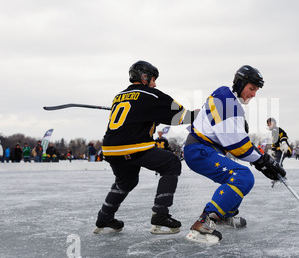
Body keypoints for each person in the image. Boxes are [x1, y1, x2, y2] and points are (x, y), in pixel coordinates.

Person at [183, 65, 286, 244]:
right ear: (240, 84)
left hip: (204, 149)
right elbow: (237, 145)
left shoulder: (228, 101)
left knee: (239, 174)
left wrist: (262, 161)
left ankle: (224, 215)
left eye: (256, 90)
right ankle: (203, 223)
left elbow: (240, 142)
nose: (254, 94)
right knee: (242, 176)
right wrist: (263, 162)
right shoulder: (226, 101)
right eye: (252, 88)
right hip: (199, 150)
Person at [95, 60, 197, 235]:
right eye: (153, 79)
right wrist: (203, 115)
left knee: (126, 181)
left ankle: (104, 218)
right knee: (172, 163)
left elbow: (138, 119)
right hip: (132, 146)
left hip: (110, 148)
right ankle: (160, 214)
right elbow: (181, 116)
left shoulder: (118, 96)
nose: (155, 84)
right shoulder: (151, 95)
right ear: (144, 77)